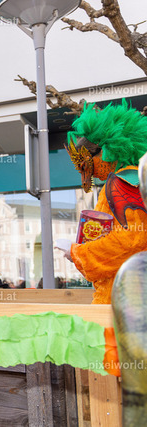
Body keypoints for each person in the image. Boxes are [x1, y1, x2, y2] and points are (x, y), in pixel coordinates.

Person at [59, 101, 147, 304]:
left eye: (85, 163)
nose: (86, 173)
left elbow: (131, 241)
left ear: (105, 150)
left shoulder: (124, 182)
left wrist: (77, 253)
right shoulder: (135, 180)